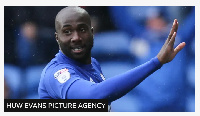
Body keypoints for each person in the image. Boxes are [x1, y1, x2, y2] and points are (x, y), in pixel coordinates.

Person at [38, 6, 186, 111]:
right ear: (57, 38)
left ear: (91, 33)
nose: (76, 38)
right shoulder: (57, 72)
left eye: (82, 30)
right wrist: (156, 62)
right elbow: (93, 96)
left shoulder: (93, 65)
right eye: (67, 31)